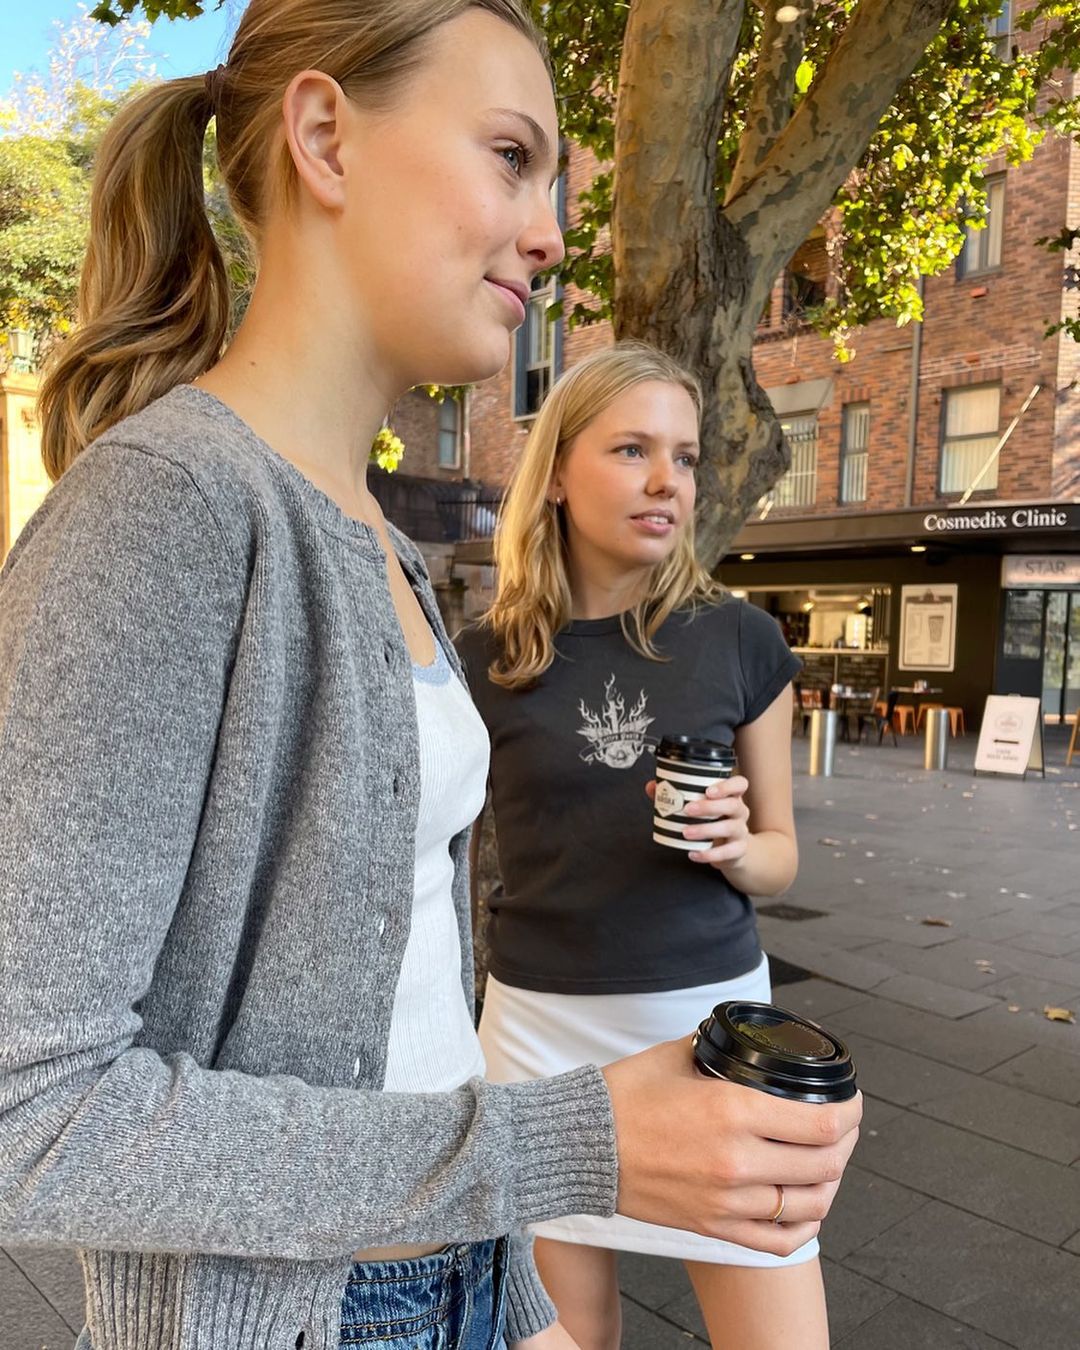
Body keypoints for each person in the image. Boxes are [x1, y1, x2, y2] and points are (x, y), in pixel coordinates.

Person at [0, 4, 861, 1347]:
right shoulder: (168, 511)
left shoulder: (383, 543)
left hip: (461, 1275)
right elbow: (30, 1115)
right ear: (327, 137)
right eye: (512, 155)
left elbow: (413, 1028)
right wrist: (557, 1147)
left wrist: (512, 1290)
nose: (554, 232)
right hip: (313, 1310)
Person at [456, 342, 837, 1350]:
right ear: (558, 475)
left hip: (715, 1031)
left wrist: (736, 844)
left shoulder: (741, 639)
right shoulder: (485, 659)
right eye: (633, 449)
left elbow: (782, 858)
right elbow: (449, 862)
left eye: (687, 455)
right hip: (539, 1037)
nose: (670, 479)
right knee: (568, 1338)